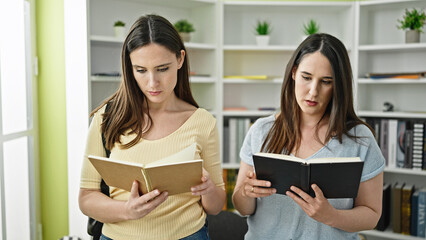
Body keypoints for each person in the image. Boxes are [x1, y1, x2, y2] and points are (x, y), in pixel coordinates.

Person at [79, 14, 225, 240]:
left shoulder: (202, 122)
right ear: (130, 67)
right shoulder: (106, 118)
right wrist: (126, 211)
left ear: (180, 59)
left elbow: (215, 207)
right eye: (141, 70)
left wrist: (208, 190)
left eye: (162, 68)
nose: (152, 83)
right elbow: (87, 198)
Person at [232, 33, 385, 239]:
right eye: (306, 77)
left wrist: (331, 216)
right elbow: (243, 208)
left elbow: (372, 215)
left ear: (338, 85)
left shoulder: (360, 139)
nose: (313, 92)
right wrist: (245, 193)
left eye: (326, 81)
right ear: (294, 73)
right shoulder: (261, 130)